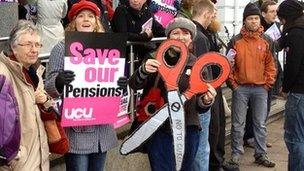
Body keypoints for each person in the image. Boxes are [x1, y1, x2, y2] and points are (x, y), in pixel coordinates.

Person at [128, 17, 217, 170]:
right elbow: (135, 84)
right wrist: (143, 70)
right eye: (175, 33)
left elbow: (201, 105)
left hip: (189, 128)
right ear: (168, 37)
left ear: (191, 39)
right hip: (159, 129)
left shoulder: (197, 64)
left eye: (185, 33)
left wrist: (207, 100)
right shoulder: (154, 58)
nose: (180, 37)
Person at [44, 1, 118, 171]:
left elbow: (112, 84)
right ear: (74, 22)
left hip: (102, 130)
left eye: (91, 16)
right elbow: (49, 86)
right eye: (81, 16)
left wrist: (119, 84)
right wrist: (59, 81)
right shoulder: (61, 48)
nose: (86, 19)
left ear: (96, 22)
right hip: (78, 130)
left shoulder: (107, 48)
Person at [226, 2, 276, 168]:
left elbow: (271, 65)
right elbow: (228, 65)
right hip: (241, 88)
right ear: (244, 21)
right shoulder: (235, 41)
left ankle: (261, 154)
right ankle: (236, 155)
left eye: (256, 18)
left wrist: (268, 84)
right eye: (250, 18)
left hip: (261, 89)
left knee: (260, 124)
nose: (254, 21)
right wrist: (233, 85)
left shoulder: (267, 40)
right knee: (237, 124)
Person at [0, 20, 51, 171]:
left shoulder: (34, 72)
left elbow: (47, 105)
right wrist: (12, 157)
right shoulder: (3, 74)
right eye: (28, 44)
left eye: (37, 45)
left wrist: (46, 100)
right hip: (19, 164)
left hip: (39, 159)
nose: (34, 49)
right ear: (13, 47)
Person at [277, 1, 304, 170]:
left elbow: (293, 64)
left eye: (282, 19)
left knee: (295, 137)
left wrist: (285, 87)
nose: (281, 22)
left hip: (299, 92)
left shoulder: (296, 33)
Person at [191, 1, 215, 171]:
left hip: (193, 98)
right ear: (206, 14)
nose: (212, 20)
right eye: (212, 16)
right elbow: (202, 70)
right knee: (200, 149)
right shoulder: (199, 37)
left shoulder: (194, 33)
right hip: (199, 99)